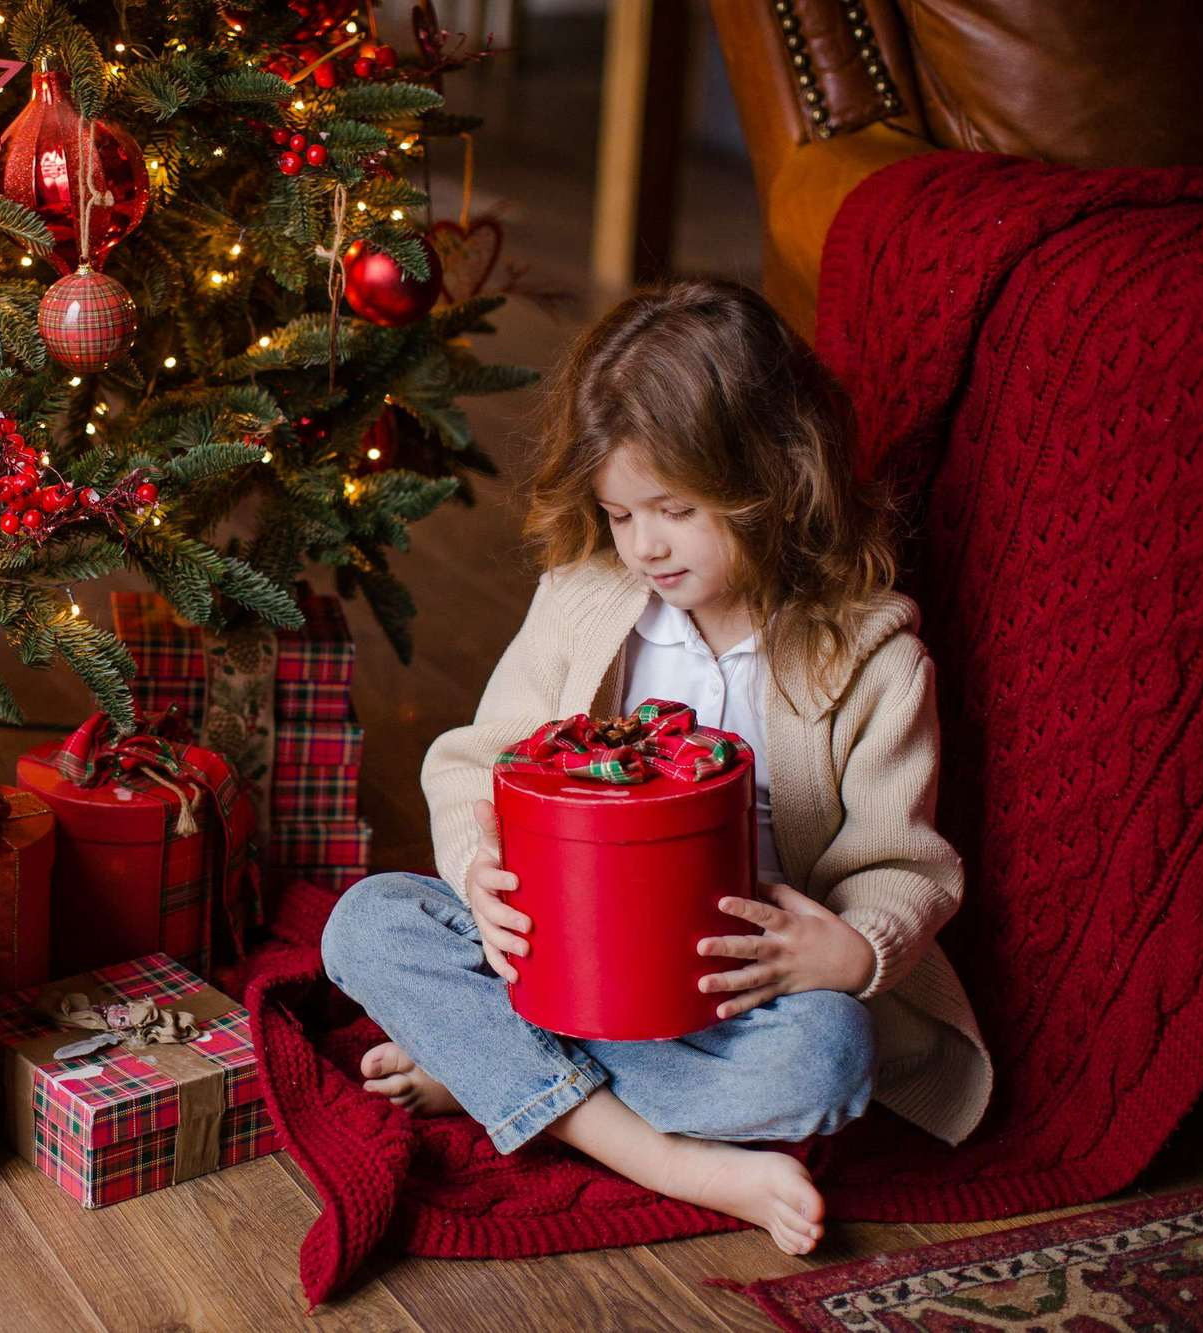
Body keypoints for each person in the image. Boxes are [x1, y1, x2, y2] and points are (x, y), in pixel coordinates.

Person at [319, 278, 992, 1255]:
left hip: (725, 1000)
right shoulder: (588, 601)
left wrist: (851, 950)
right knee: (367, 923)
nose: (642, 545)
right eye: (618, 512)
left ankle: (500, 1075)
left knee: (828, 1057)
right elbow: (474, 764)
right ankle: (667, 1156)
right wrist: (478, 874)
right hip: (559, 961)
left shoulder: (869, 660)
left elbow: (905, 863)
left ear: (769, 475)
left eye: (671, 509)